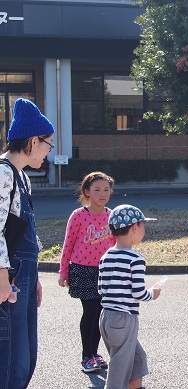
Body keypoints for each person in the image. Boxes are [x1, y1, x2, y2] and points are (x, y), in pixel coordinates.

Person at [0, 98, 55, 388]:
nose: (48, 151)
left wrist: (34, 277)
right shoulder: (3, 173)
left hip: (24, 274)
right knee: (10, 360)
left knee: (26, 356)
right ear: (34, 141)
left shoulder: (23, 178)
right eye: (48, 144)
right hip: (8, 277)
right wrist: (2, 279)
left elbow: (24, 232)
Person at [58, 171, 117, 373]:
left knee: (101, 313)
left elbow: (118, 245)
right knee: (90, 311)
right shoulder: (78, 216)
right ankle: (86, 356)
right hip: (82, 270)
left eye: (106, 190)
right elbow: (68, 244)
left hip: (106, 271)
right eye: (97, 190)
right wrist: (63, 272)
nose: (102, 194)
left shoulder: (112, 216)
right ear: (87, 192)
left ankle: (95, 354)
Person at [98, 204, 160, 389]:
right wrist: (153, 294)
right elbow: (139, 292)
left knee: (137, 358)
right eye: (142, 226)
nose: (143, 231)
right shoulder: (135, 259)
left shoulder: (106, 256)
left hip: (106, 318)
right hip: (124, 319)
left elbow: (101, 288)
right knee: (119, 368)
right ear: (134, 228)